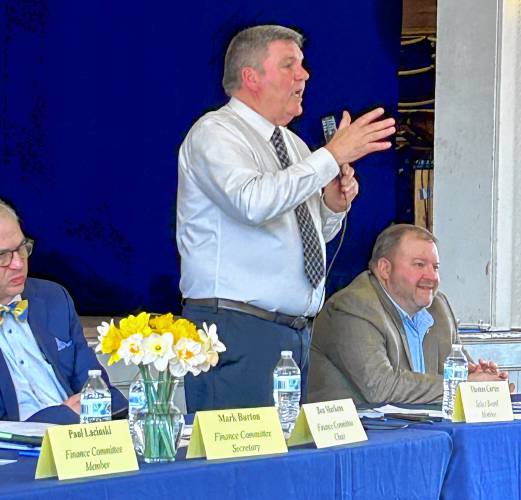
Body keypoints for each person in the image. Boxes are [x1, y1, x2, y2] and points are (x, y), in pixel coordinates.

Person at [176, 25, 396, 411]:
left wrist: (332, 204)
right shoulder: (215, 133)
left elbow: (308, 234)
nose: (304, 75)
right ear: (251, 77)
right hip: (236, 329)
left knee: (283, 464)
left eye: (303, 65)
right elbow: (253, 202)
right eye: (289, 65)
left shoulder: (293, 144)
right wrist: (329, 156)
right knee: (239, 464)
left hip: (293, 333)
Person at [308, 224, 510, 405]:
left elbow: (457, 372)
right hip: (354, 438)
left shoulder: (438, 307)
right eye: (420, 265)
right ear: (385, 269)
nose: (432, 277)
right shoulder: (353, 307)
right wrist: (463, 384)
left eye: (435, 267)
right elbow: (381, 387)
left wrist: (483, 380)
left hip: (419, 432)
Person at [0, 200, 127, 423]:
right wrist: (62, 416)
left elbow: (99, 389)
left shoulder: (53, 298)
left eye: (22, 248)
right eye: (3, 257)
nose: (19, 264)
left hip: (82, 440)